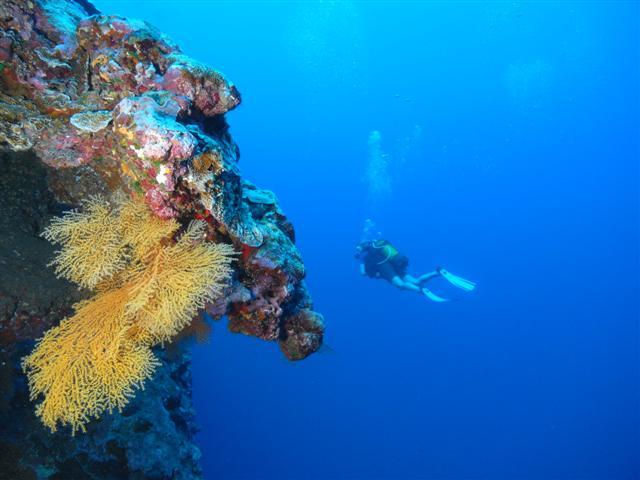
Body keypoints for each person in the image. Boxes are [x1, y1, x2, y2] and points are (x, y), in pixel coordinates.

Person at [354, 238, 476, 302]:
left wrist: (364, 264)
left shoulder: (365, 257)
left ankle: (421, 290)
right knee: (416, 280)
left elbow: (363, 273)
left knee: (401, 285)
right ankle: (438, 272)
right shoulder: (379, 246)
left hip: (384, 268)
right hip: (395, 264)